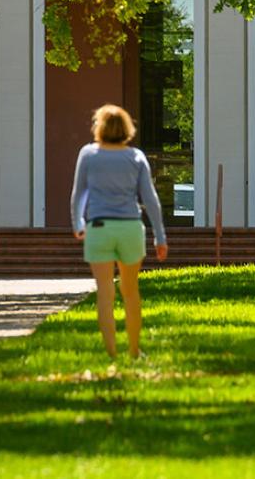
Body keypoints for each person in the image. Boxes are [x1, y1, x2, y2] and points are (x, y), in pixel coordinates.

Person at [70, 104, 169, 357]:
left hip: (99, 226)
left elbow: (79, 193)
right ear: (127, 127)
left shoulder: (88, 154)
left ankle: (112, 353)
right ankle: (134, 350)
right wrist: (160, 236)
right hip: (129, 227)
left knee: (105, 291)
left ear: (99, 127)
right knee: (130, 290)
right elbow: (150, 199)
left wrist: (78, 223)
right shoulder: (135, 157)